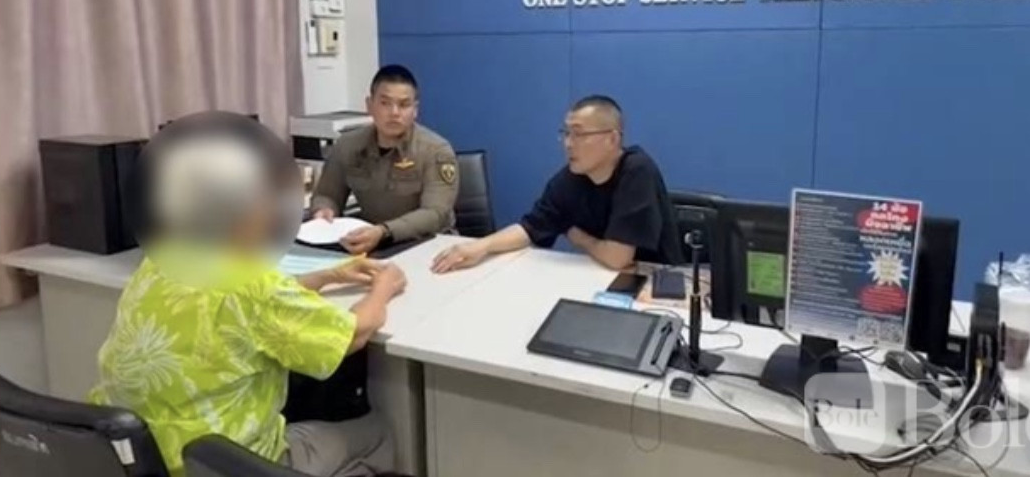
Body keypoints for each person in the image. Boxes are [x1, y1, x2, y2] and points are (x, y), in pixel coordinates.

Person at [90, 112, 404, 477]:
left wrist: (327, 276)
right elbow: (355, 334)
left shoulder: (163, 258)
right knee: (379, 432)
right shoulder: (253, 285)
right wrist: (385, 286)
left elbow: (238, 307)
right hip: (226, 464)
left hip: (140, 459)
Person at [432, 95, 678, 274]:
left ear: (612, 139)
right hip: (601, 276)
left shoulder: (637, 170)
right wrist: (480, 247)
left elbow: (617, 258)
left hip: (658, 282)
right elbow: (530, 228)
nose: (568, 143)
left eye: (579, 134)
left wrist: (579, 238)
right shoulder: (570, 179)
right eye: (566, 133)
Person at [312, 65, 459, 254]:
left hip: (429, 245)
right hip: (372, 245)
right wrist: (324, 210)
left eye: (404, 105)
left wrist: (384, 231)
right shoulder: (348, 146)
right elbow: (327, 195)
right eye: (385, 103)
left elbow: (435, 214)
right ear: (369, 105)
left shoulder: (436, 151)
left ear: (415, 110)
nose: (394, 112)